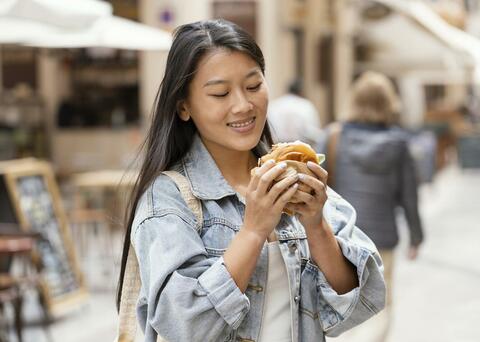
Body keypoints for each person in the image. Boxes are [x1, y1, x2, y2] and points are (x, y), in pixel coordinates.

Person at [117, 20, 385, 342]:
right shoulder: (166, 200)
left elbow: (363, 299)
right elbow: (186, 327)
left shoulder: (290, 175)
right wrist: (254, 230)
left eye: (253, 86)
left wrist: (316, 226)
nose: (243, 105)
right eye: (220, 93)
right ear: (184, 107)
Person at [317, 71, 424, 342]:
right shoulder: (399, 143)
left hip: (340, 235)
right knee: (381, 303)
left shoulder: (333, 136)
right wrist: (416, 236)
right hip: (382, 237)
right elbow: (409, 196)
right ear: (389, 102)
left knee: (342, 300)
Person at [267, 79, 322, 145]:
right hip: (301, 148)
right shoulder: (306, 105)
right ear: (301, 91)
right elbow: (312, 132)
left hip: (278, 147)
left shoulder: (274, 105)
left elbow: (270, 130)